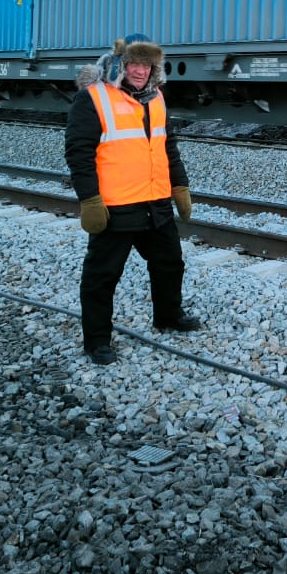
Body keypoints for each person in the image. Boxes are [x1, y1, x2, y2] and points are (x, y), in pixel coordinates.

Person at [65, 37, 201, 365]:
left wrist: (179, 187)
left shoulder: (156, 99)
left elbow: (168, 148)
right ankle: (96, 340)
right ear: (118, 66)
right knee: (102, 275)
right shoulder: (93, 99)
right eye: (133, 64)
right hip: (117, 206)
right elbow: (78, 154)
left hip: (156, 201)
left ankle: (168, 316)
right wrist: (90, 200)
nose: (140, 71)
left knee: (170, 263)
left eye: (146, 65)